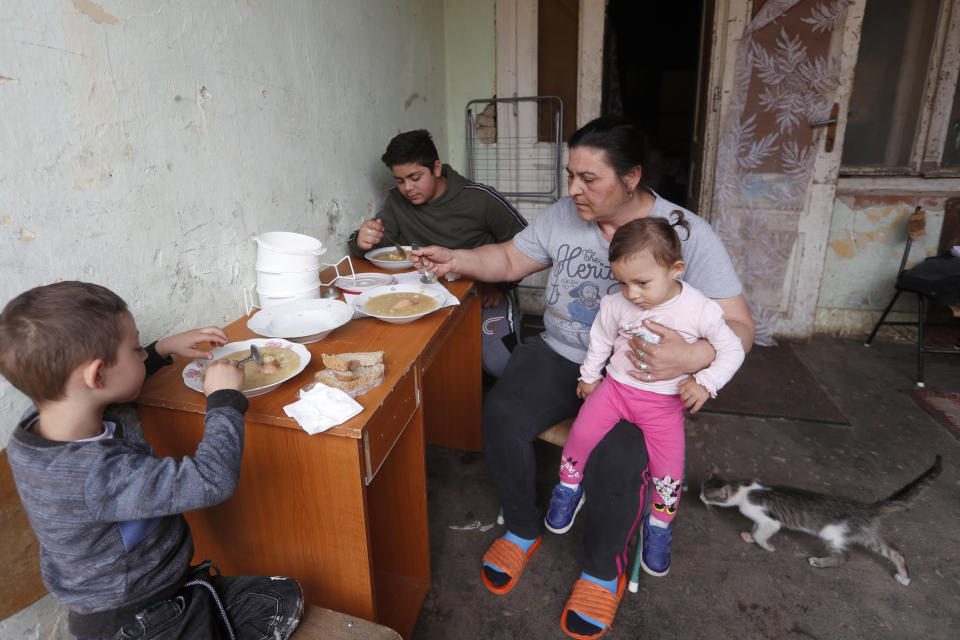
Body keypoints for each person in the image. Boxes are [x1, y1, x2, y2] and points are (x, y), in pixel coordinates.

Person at [411, 115, 754, 638]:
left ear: (632, 176)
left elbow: (739, 326)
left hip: (642, 380)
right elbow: (506, 258)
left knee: (619, 461)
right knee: (503, 413)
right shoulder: (563, 217)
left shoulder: (684, 232)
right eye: (571, 175)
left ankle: (601, 571)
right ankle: (524, 529)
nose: (573, 189)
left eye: (589, 179)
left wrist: (691, 359)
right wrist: (455, 259)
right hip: (561, 353)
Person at [0, 281, 303, 640]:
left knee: (282, 595)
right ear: (97, 375)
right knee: (284, 603)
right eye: (135, 350)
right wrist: (223, 399)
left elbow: (111, 396)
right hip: (143, 617)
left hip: (132, 598)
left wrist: (160, 351)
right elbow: (211, 478)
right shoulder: (95, 475)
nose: (141, 355)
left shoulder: (42, 425)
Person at [543, 214, 745, 582]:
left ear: (676, 269)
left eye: (642, 282)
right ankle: (569, 488)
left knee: (668, 471)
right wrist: (590, 377)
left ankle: (659, 526)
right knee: (581, 435)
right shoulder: (616, 303)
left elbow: (731, 349)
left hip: (664, 406)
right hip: (615, 391)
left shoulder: (699, 309)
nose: (631, 293)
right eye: (622, 282)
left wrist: (705, 382)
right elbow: (602, 338)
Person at [348, 128, 528, 377]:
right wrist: (361, 239)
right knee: (414, 361)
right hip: (427, 296)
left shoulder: (480, 199)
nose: (408, 188)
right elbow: (375, 246)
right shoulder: (396, 201)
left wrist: (500, 287)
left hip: (484, 292)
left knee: (501, 363)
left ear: (436, 167)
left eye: (415, 177)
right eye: (400, 181)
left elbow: (529, 246)